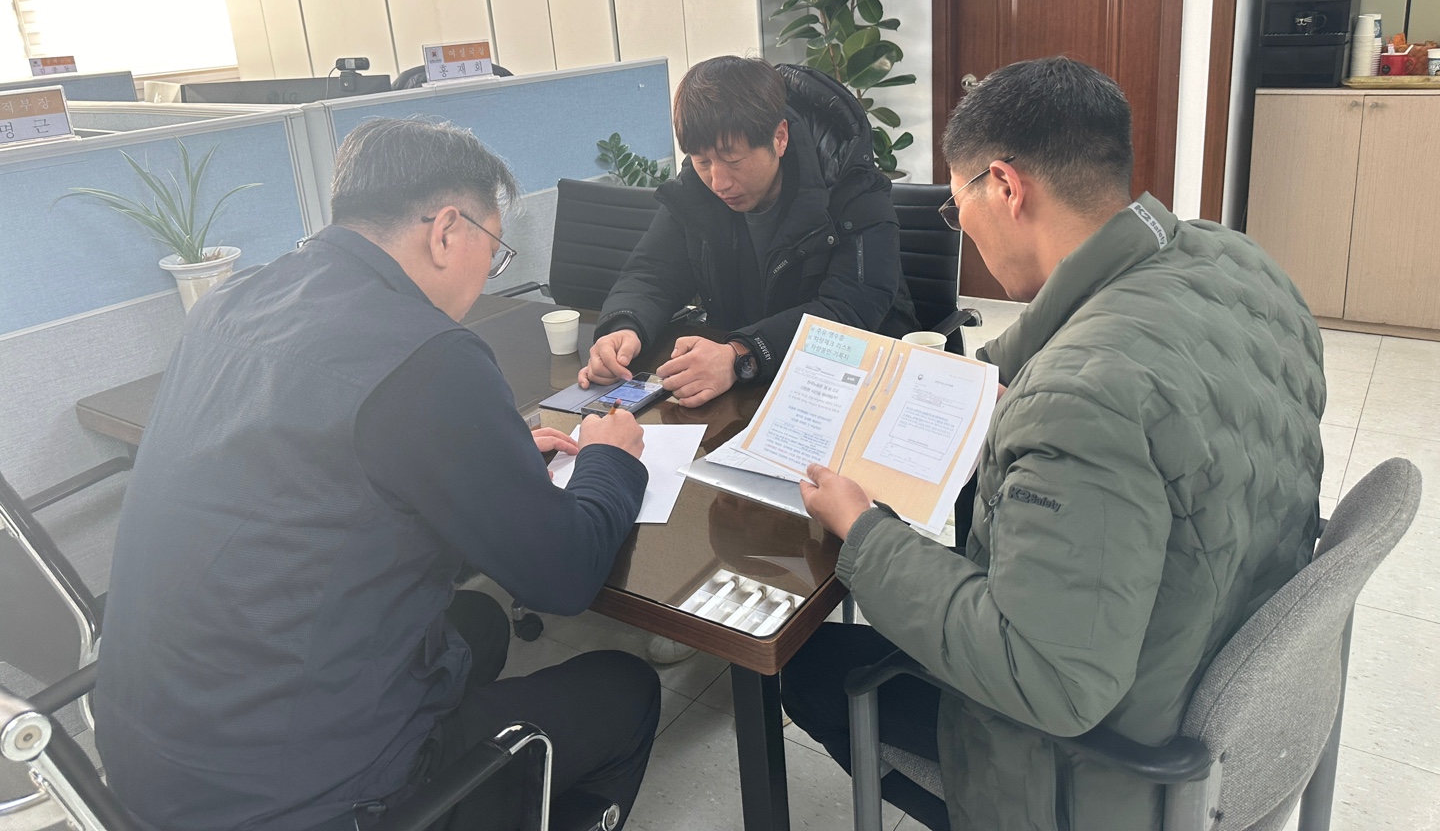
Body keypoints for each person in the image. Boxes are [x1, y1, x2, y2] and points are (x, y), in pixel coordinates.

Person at [783, 57, 1326, 831]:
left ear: (1005, 187)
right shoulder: (1235, 261)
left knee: (809, 669)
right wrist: (992, 390)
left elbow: (1045, 678)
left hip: (1098, 771)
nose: (963, 228)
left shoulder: (1084, 398)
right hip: (1214, 655)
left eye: (957, 205)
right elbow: (1051, 352)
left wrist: (863, 531)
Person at [93, 118, 661, 831]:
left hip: (145, 766)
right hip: (301, 807)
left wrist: (477, 456)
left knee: (480, 626)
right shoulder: (429, 354)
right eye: (493, 249)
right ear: (447, 230)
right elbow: (564, 578)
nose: (488, 271)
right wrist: (610, 459)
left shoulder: (229, 304)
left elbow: (320, 463)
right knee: (626, 689)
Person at [579, 55, 917, 407]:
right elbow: (653, 272)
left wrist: (743, 354)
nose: (718, 182)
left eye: (733, 160)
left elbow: (850, 311)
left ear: (779, 138)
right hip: (745, 388)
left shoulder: (853, 190)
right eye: (702, 161)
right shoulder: (696, 190)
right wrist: (625, 325)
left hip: (854, 388)